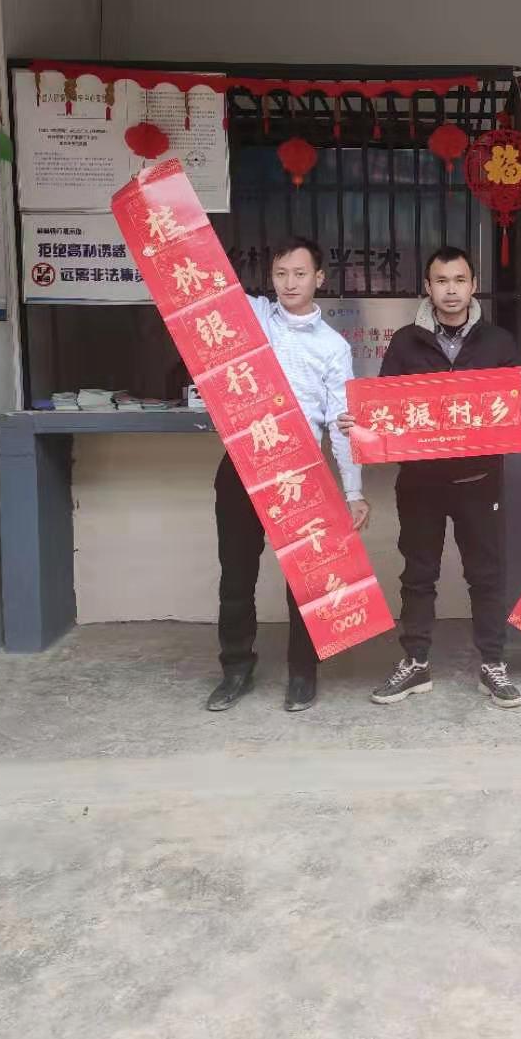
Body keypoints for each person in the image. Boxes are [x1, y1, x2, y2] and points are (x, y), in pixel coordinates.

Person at [338, 246, 521, 709]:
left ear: (473, 286)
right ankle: (415, 664)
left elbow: (517, 405)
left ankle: (493, 664)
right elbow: (385, 410)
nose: (451, 290)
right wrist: (359, 423)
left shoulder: (498, 342)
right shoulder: (405, 342)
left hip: (479, 480)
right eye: (442, 281)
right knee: (418, 574)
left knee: (486, 575)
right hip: (420, 484)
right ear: (428, 287)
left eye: (460, 280)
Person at [206, 237, 370, 715]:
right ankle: (236, 668)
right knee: (237, 574)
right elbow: (204, 291)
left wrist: (354, 491)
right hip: (242, 464)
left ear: (319, 278)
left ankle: (303, 672)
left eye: (300, 274)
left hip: (301, 470)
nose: (289, 283)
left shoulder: (333, 347)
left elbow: (341, 423)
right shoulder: (254, 316)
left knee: (306, 579)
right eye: (281, 274)